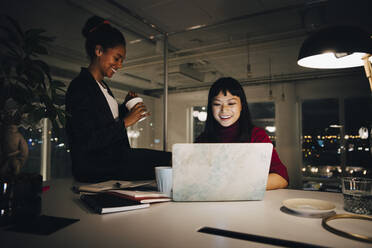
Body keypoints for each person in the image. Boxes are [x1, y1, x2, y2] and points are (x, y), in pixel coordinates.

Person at [65, 16, 171, 183]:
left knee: (171, 160)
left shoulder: (103, 87)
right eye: (117, 58)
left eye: (122, 60)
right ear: (98, 51)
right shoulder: (80, 86)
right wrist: (126, 121)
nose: (120, 65)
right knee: (169, 162)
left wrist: (125, 108)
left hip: (116, 158)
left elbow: (105, 121)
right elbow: (86, 140)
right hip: (98, 166)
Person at [195, 77, 289, 190]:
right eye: (217, 104)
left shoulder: (257, 136)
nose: (224, 110)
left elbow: (281, 177)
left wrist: (237, 186)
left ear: (241, 106)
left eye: (231, 103)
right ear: (211, 108)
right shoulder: (202, 139)